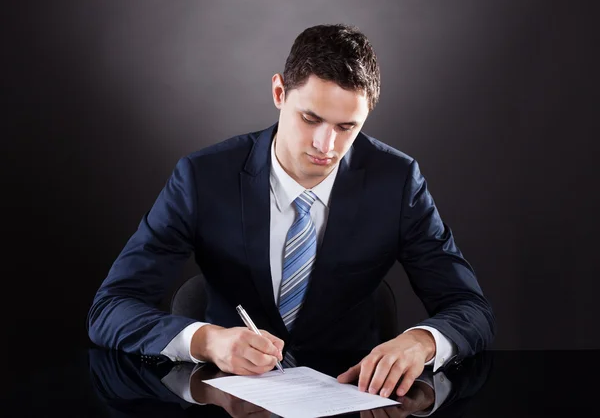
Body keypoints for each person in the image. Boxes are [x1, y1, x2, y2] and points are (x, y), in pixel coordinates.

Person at [88, 23, 495, 399]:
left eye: (346, 127)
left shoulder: (398, 181)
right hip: (230, 401)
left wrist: (422, 342)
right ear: (280, 92)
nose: (326, 145)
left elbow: (471, 308)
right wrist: (208, 341)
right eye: (310, 118)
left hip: (350, 400)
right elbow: (111, 308)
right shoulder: (202, 177)